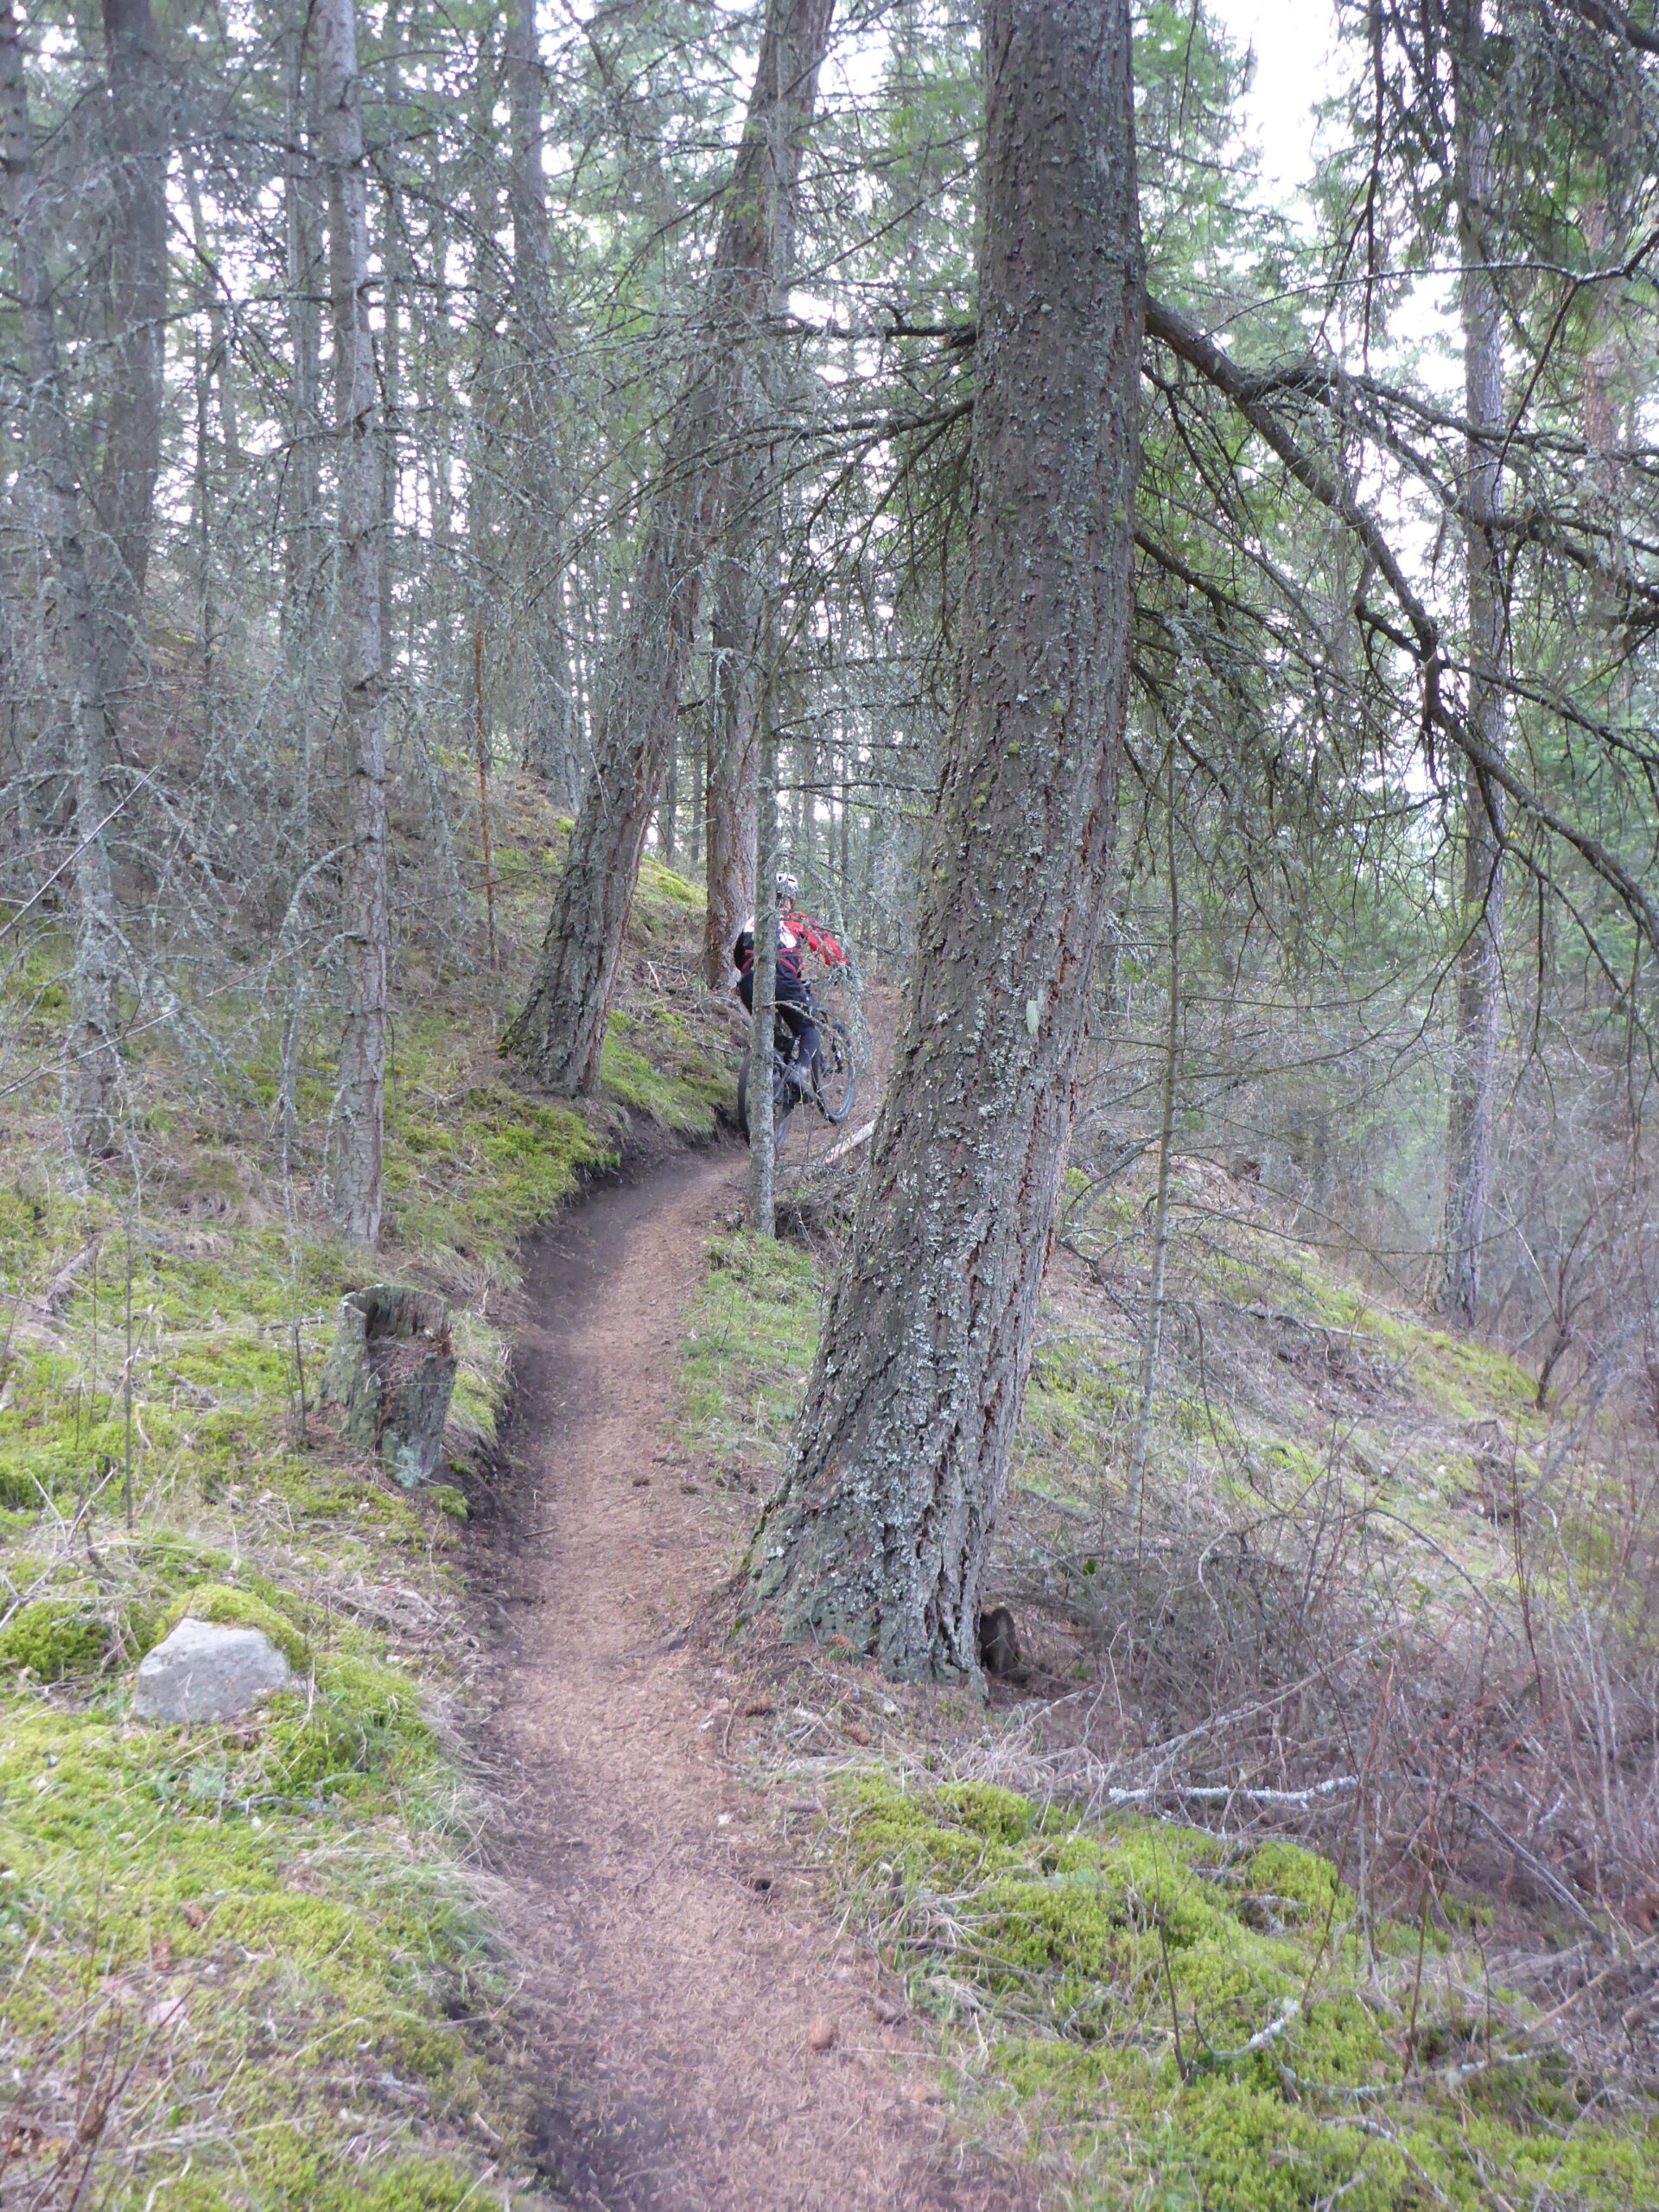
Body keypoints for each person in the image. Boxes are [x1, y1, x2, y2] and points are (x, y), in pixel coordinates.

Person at [732, 882, 846, 1094]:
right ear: (791, 899)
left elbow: (738, 956)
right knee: (808, 1029)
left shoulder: (753, 920)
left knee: (772, 1036)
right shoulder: (795, 918)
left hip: (750, 981)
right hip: (782, 978)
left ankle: (775, 1077)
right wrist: (842, 965)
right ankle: (800, 1071)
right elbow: (825, 943)